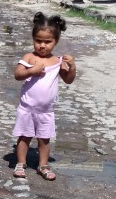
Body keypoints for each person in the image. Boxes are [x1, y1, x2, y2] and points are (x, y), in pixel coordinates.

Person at [12, 12, 76, 181]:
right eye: (38, 41)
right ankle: (21, 163)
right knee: (24, 136)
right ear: (33, 39)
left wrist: (72, 67)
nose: (42, 45)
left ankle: (43, 165)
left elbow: (68, 80)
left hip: (46, 110)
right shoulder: (29, 57)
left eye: (48, 42)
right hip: (27, 108)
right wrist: (31, 71)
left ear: (55, 42)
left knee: (44, 139)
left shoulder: (57, 61)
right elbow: (18, 74)